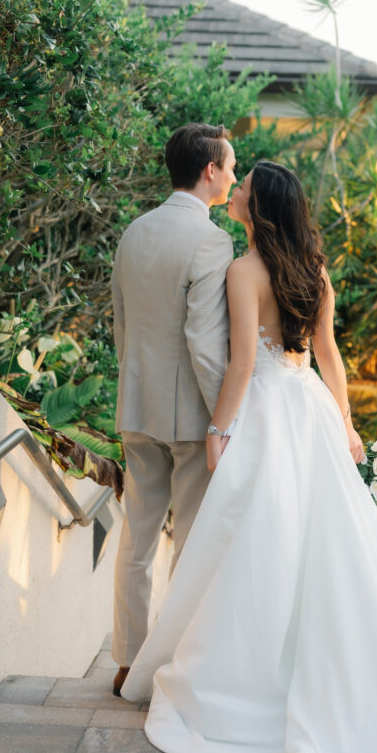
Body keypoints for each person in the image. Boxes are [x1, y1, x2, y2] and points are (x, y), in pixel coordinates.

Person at [120, 161, 377, 753]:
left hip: (269, 413)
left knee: (265, 541)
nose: (235, 191)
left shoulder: (245, 272)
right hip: (312, 409)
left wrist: (218, 432)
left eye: (243, 189)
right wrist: (347, 425)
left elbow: (242, 365)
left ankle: (252, 674)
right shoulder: (314, 270)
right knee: (328, 542)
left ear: (260, 206)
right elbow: (329, 356)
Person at [110, 123, 236, 697]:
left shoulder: (134, 232)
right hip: (188, 417)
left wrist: (132, 390)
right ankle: (173, 666)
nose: (233, 177)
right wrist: (223, 420)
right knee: (188, 541)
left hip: (136, 408)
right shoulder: (211, 242)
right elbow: (205, 343)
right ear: (209, 171)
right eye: (230, 167)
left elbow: (122, 326)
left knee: (136, 538)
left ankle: (125, 661)